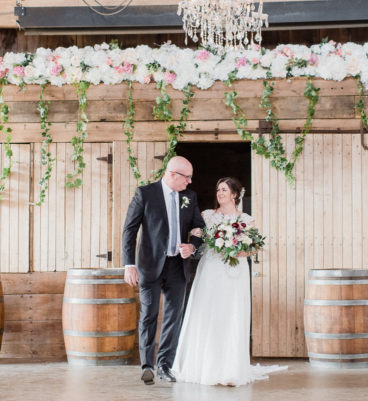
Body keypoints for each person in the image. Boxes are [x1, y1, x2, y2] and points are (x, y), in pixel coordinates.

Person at [171, 177, 286, 386]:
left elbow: (254, 246)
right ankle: (203, 366)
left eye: (224, 190)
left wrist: (242, 251)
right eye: (218, 190)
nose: (219, 193)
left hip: (235, 271)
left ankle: (231, 368)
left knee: (232, 314)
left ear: (234, 194)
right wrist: (191, 243)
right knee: (208, 313)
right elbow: (196, 235)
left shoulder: (246, 219)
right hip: (211, 270)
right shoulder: (207, 216)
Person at [122, 156, 206, 385]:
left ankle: (165, 366)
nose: (189, 182)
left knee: (173, 317)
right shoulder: (145, 193)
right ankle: (147, 365)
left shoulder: (189, 197)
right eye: (186, 177)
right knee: (148, 315)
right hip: (149, 266)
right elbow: (129, 231)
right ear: (172, 174)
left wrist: (193, 246)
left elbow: (199, 226)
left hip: (177, 266)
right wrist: (129, 265)